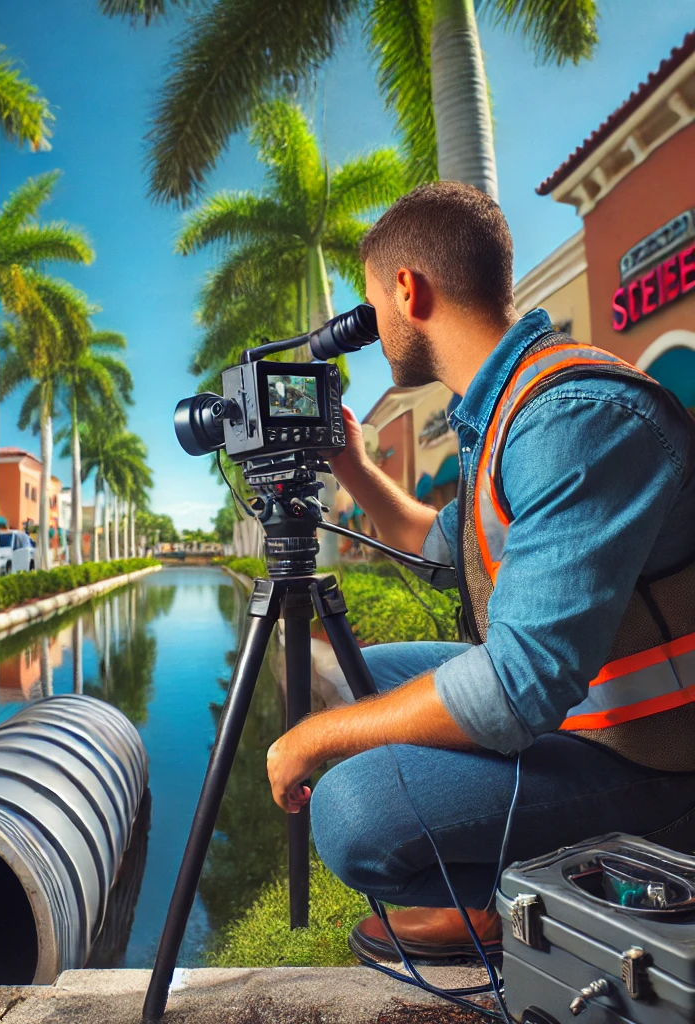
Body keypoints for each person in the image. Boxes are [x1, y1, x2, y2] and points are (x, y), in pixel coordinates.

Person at [265, 181, 695, 966]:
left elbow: (517, 687)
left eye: (371, 306)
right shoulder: (507, 409)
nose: (371, 330)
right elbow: (440, 546)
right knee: (364, 677)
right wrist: (353, 468)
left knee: (351, 812)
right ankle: (490, 884)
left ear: (407, 288)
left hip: (653, 749)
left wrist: (317, 738)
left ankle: (512, 897)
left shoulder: (573, 418)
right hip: (584, 701)